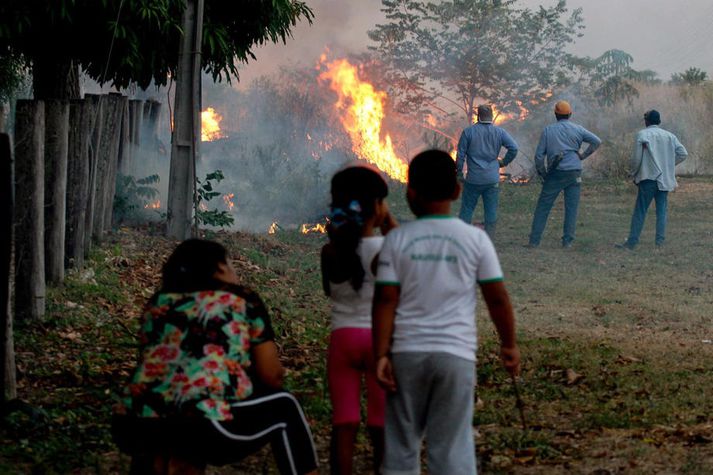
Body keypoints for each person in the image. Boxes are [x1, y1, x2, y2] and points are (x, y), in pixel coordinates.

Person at [112, 239, 318, 475]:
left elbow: (159, 368)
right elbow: (271, 375)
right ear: (220, 267)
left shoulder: (157, 303)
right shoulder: (242, 299)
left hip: (132, 421)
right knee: (285, 405)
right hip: (204, 421)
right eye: (232, 264)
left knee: (172, 438)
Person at [372, 149, 520, 475]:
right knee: (452, 445)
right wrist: (508, 345)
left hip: (406, 356)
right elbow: (497, 298)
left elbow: (385, 300)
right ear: (457, 191)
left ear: (410, 193)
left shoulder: (397, 241)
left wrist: (381, 354)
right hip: (456, 356)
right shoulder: (475, 240)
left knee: (401, 445)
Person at [321, 164, 397, 474]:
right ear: (377, 208)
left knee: (345, 421)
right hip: (380, 342)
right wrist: (389, 223)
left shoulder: (330, 252)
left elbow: (330, 290)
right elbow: (403, 250)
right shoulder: (388, 247)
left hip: (342, 340)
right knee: (380, 421)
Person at [527, 100, 602, 248]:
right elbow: (597, 141)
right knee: (571, 208)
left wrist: (542, 173)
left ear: (555, 114)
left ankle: (534, 241)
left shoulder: (548, 130)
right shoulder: (578, 129)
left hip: (555, 173)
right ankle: (567, 242)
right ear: (570, 114)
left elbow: (539, 156)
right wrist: (583, 156)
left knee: (543, 207)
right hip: (574, 173)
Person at [617, 109, 688, 249]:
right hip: (664, 179)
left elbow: (637, 159)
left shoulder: (642, 134)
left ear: (647, 121)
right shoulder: (670, 136)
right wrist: (668, 165)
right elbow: (683, 154)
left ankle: (632, 242)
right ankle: (659, 243)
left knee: (640, 210)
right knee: (662, 210)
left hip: (648, 178)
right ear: (659, 121)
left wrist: (633, 173)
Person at [456, 104, 519, 238]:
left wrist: (459, 173)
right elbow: (514, 148)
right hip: (492, 179)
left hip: (473, 179)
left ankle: (462, 237)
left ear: (478, 116)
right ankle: (489, 239)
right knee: (490, 211)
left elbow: (460, 155)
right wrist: (503, 162)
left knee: (467, 209)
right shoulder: (499, 132)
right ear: (491, 116)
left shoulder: (468, 132)